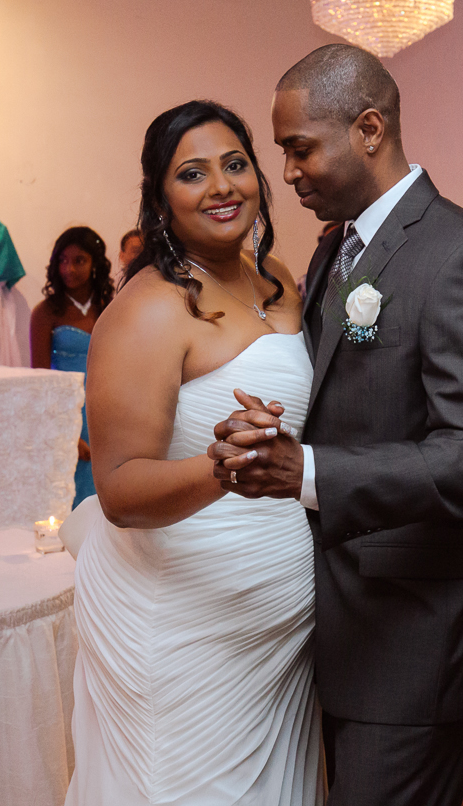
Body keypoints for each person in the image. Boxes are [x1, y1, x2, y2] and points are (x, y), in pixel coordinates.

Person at [207, 44, 463, 806]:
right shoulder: (335, 251)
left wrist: (310, 473)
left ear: (370, 129)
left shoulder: (462, 257)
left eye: (300, 149)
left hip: (417, 631)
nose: (286, 173)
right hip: (338, 615)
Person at [65, 101, 316, 805]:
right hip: (185, 628)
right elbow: (118, 489)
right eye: (193, 173)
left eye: (235, 165)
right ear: (160, 199)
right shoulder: (147, 311)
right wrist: (225, 467)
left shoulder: (282, 281)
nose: (221, 187)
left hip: (279, 635)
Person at [30, 226, 114, 509]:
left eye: (79, 260)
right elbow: (41, 382)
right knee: (73, 499)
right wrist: (67, 431)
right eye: (62, 261)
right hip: (69, 414)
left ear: (95, 264)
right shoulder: (45, 313)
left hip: (107, 410)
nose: (69, 269)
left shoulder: (111, 308)